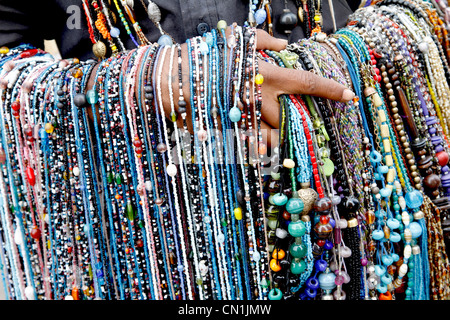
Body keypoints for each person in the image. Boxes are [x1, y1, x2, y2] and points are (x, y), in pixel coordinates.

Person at [0, 0, 357, 142]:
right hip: (144, 204)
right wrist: (137, 82)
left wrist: (332, 60)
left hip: (336, 180)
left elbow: (399, 10)